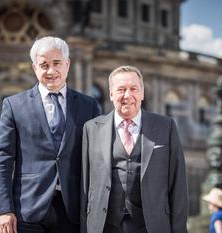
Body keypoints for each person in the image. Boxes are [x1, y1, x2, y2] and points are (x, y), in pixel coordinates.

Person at [0, 36, 101, 233]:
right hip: (27, 210)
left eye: (57, 63)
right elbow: (3, 159)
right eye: (44, 65)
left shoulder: (89, 106)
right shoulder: (13, 105)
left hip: (73, 211)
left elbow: (98, 159)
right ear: (34, 68)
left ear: (67, 64)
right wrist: (4, 209)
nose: (51, 71)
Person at [80, 65, 188, 233]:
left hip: (152, 226)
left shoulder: (166, 127)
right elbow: (85, 187)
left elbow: (178, 186)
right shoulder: (91, 129)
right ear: (111, 94)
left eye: (133, 89)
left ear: (142, 93)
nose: (127, 95)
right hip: (104, 226)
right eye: (121, 89)